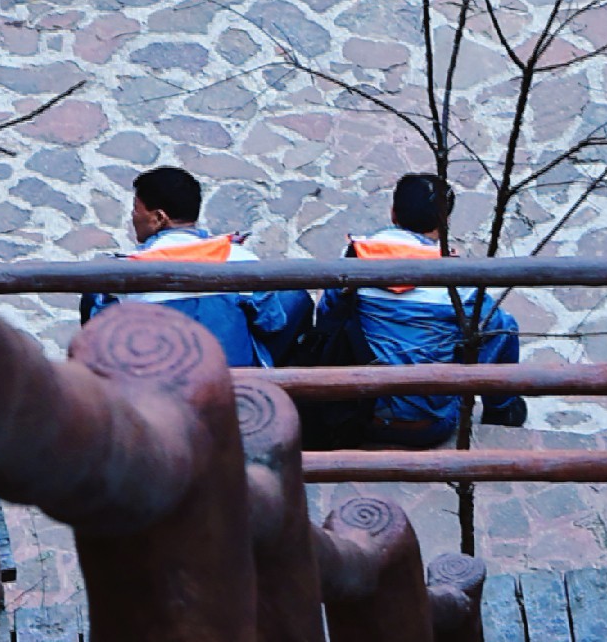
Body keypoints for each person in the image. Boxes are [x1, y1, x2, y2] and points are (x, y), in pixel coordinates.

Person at [277, 174, 524, 448]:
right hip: (427, 427)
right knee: (500, 326)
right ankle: (503, 409)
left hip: (356, 413)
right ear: (444, 224)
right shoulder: (458, 284)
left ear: (393, 213)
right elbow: (499, 331)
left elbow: (327, 315)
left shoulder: (354, 260)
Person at [94, 166, 270, 368]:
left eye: (136, 209)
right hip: (232, 386)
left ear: (159, 218)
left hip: (153, 388)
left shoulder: (123, 273)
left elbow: (101, 339)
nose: (133, 217)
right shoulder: (240, 259)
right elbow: (272, 322)